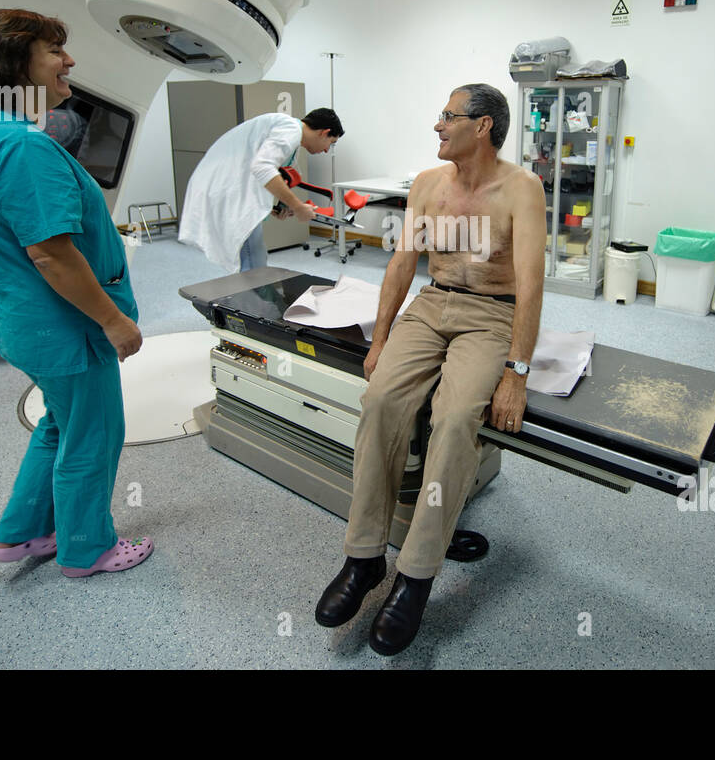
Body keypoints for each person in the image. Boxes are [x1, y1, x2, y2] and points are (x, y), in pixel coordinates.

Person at [315, 83, 546, 655]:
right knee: (382, 401)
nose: (438, 125)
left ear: (484, 125)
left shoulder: (522, 189)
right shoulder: (425, 184)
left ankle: (416, 575)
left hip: (491, 316)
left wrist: (516, 371)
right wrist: (383, 335)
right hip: (432, 303)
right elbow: (402, 262)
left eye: (448, 116)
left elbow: (532, 284)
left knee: (455, 417)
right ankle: (364, 556)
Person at [0, 8, 152, 578]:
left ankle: (23, 533)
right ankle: (88, 548)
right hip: (64, 327)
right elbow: (51, 254)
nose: (69, 61)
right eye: (54, 52)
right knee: (94, 432)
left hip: (26, 322)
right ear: (17, 63)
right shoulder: (23, 147)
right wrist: (114, 321)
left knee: (61, 423)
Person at [177, 107, 344, 275]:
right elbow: (262, 168)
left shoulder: (290, 133)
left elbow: (270, 171)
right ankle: (251, 298)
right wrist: (298, 207)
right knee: (253, 260)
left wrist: (281, 206)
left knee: (253, 255)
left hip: (228, 188)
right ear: (324, 132)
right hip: (226, 189)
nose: (326, 150)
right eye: (331, 143)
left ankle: (254, 295)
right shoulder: (291, 129)